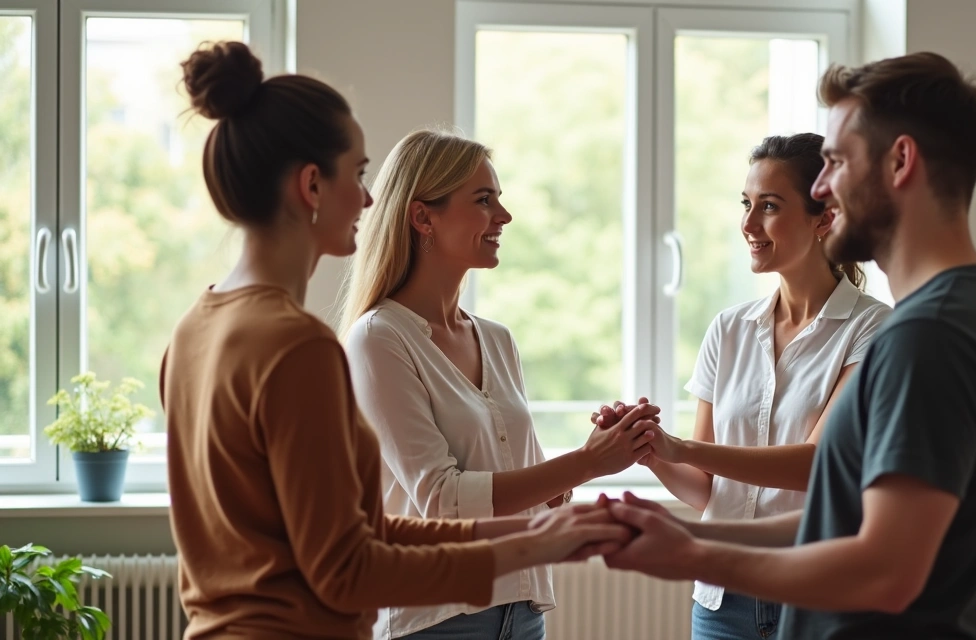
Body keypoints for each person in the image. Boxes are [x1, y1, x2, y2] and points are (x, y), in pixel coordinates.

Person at [160, 42, 631, 640]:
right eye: (357, 174)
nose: (366, 198)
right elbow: (348, 572)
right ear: (311, 185)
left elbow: (360, 532)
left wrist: (540, 535)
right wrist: (526, 546)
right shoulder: (299, 345)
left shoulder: (195, 327)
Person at [599, 51, 976, 640]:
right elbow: (841, 523)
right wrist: (690, 533)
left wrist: (690, 556)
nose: (821, 188)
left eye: (835, 162)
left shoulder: (927, 336)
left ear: (900, 161)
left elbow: (885, 571)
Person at [340, 128, 658, 639]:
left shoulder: (497, 339)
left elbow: (529, 492)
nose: (503, 217)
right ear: (423, 216)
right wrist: (588, 461)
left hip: (522, 611)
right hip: (434, 619)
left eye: (499, 200)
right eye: (483, 200)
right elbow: (442, 501)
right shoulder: (378, 339)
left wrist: (602, 446)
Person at [597, 133, 890, 640]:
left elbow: (817, 465)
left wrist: (682, 446)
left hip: (816, 595)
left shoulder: (874, 329)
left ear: (825, 219)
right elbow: (708, 490)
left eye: (770, 207)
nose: (748, 225)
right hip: (721, 600)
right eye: (746, 205)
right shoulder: (727, 329)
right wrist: (648, 448)